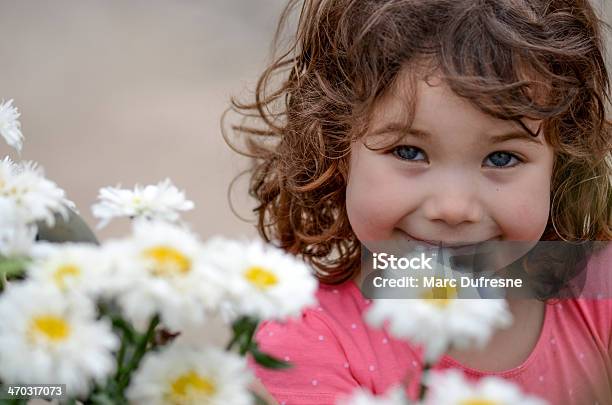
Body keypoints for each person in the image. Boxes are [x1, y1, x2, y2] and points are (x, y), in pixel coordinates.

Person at [224, 0, 612, 404]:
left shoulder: (596, 299)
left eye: (501, 158)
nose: (453, 208)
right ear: (338, 151)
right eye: (409, 152)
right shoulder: (307, 341)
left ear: (561, 162)